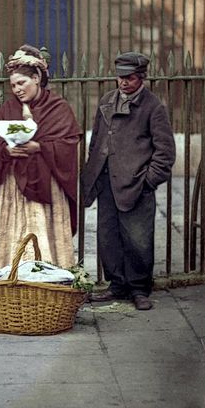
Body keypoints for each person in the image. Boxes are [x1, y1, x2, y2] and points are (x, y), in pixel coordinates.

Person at [82, 52, 176, 310]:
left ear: (142, 77)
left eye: (130, 78)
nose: (123, 83)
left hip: (136, 185)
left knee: (138, 239)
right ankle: (117, 285)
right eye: (120, 77)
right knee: (108, 236)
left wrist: (148, 181)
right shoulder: (107, 101)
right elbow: (96, 142)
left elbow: (165, 152)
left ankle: (139, 289)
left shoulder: (153, 107)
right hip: (107, 184)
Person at [0, 44, 82, 269]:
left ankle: (48, 277)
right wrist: (5, 150)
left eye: (22, 83)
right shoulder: (7, 109)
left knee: (41, 236)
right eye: (13, 85)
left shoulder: (58, 108)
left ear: (37, 78)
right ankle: (9, 278)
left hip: (46, 185)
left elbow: (68, 144)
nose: (17, 89)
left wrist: (39, 147)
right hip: (12, 186)